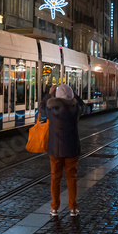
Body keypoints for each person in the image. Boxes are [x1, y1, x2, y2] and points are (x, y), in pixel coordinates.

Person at [46, 83, 81, 217]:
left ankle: (54, 208)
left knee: (55, 177)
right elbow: (81, 104)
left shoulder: (51, 110)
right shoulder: (75, 109)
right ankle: (73, 208)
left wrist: (50, 94)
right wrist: (74, 94)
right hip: (71, 149)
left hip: (55, 150)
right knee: (72, 177)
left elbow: (42, 108)